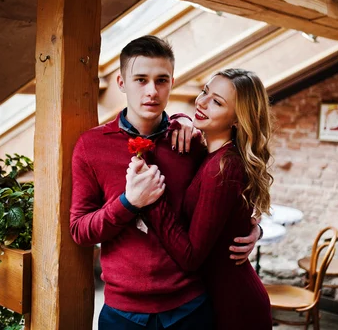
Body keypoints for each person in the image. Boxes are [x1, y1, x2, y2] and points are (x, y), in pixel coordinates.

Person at [69, 36, 261, 330]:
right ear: (121, 82)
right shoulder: (90, 146)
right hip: (122, 313)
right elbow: (80, 230)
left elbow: (230, 193)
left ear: (173, 81)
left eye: (161, 80)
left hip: (191, 308)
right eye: (140, 80)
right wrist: (128, 204)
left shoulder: (194, 142)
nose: (152, 91)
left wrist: (253, 228)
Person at [127, 68, 274, 329]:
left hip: (233, 305)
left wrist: (151, 199)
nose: (202, 102)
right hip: (212, 299)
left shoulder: (224, 167)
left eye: (217, 102)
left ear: (238, 120)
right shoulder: (210, 153)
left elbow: (191, 256)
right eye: (205, 91)